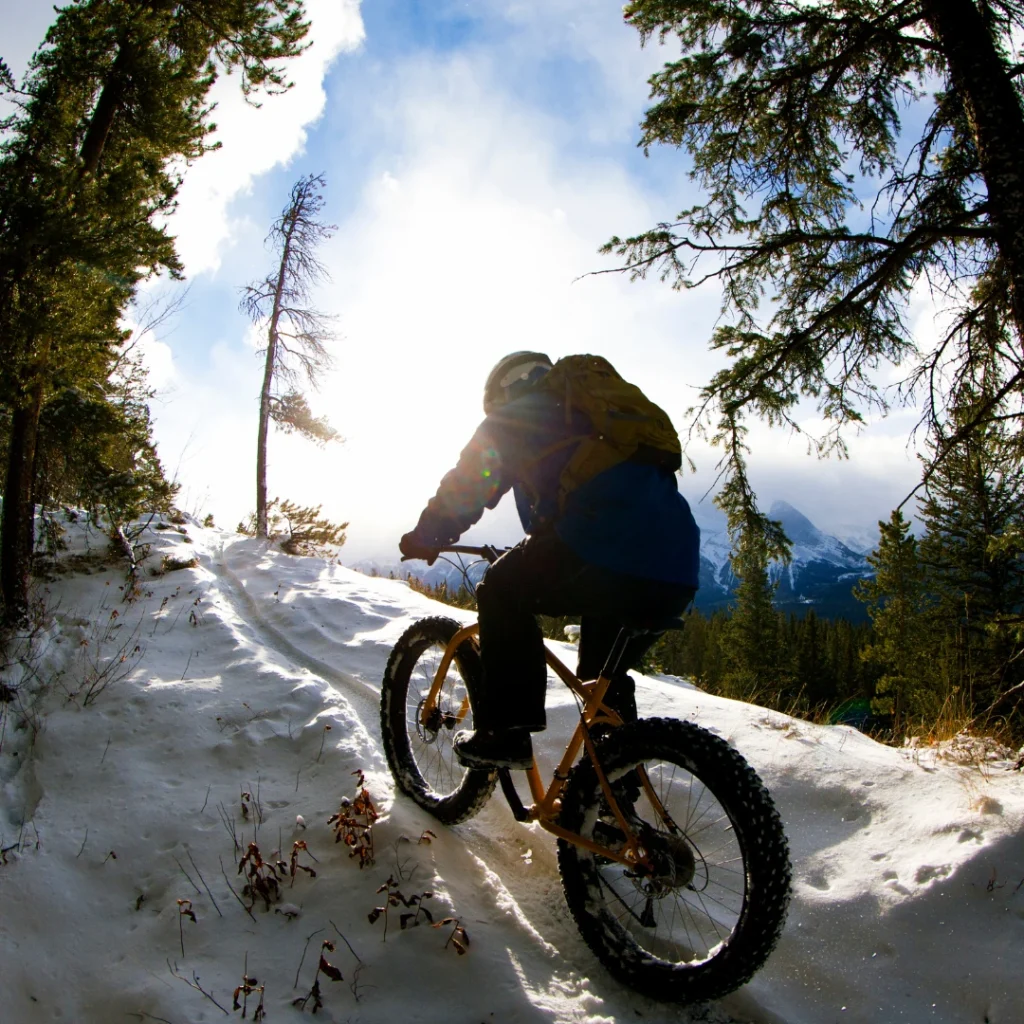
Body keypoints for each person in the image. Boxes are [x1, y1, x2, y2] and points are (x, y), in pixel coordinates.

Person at [399, 351, 700, 770]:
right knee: (601, 682)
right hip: (676, 566)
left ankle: (505, 732)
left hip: (598, 548)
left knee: (502, 589)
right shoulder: (592, 414)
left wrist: (425, 535)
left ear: (500, 393)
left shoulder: (518, 415)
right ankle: (611, 798)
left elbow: (468, 485)